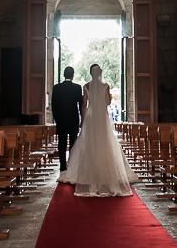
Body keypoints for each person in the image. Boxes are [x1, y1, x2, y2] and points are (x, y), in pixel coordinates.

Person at [58, 64, 138, 196]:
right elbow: (107, 103)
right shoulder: (105, 86)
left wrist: (83, 121)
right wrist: (109, 95)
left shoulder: (87, 86)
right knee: (104, 143)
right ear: (99, 73)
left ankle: (89, 173)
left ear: (91, 73)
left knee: (90, 144)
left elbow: (84, 105)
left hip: (91, 117)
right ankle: (105, 172)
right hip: (102, 117)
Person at [50, 66, 82, 171]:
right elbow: (80, 105)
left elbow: (53, 105)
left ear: (64, 75)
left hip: (61, 120)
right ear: (73, 75)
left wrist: (56, 119)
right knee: (73, 143)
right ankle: (72, 165)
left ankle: (63, 166)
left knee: (62, 143)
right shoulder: (77, 88)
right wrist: (82, 118)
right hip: (73, 119)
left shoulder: (56, 87)